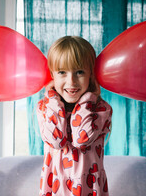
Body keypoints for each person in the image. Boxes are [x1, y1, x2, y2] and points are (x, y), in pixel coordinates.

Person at [37, 36, 112, 196]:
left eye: (79, 72)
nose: (71, 81)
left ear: (91, 74)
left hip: (89, 190)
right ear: (53, 75)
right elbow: (57, 141)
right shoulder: (45, 107)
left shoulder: (101, 109)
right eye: (62, 72)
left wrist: (88, 98)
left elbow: (81, 139)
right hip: (55, 190)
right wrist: (52, 98)